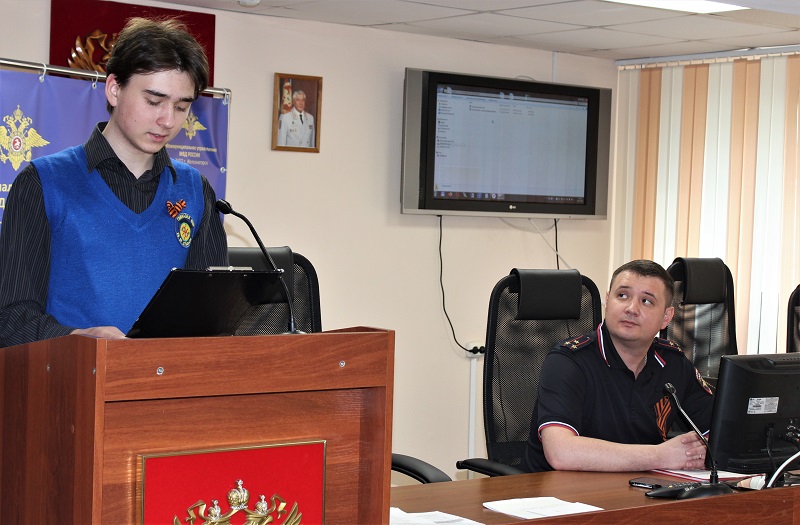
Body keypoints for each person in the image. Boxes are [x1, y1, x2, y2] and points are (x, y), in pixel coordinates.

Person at [0, 17, 228, 347]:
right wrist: (77, 338)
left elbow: (212, 320)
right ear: (114, 89)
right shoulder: (42, 184)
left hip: (166, 377)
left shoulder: (196, 191)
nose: (168, 120)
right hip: (72, 375)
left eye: (181, 107)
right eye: (154, 101)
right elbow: (11, 318)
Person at [522, 259, 714, 473]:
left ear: (666, 317)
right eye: (622, 296)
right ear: (607, 301)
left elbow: (718, 432)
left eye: (646, 301)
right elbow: (561, 453)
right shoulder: (567, 361)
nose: (631, 309)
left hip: (638, 487)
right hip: (556, 490)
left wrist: (700, 451)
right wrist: (662, 455)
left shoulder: (674, 363)